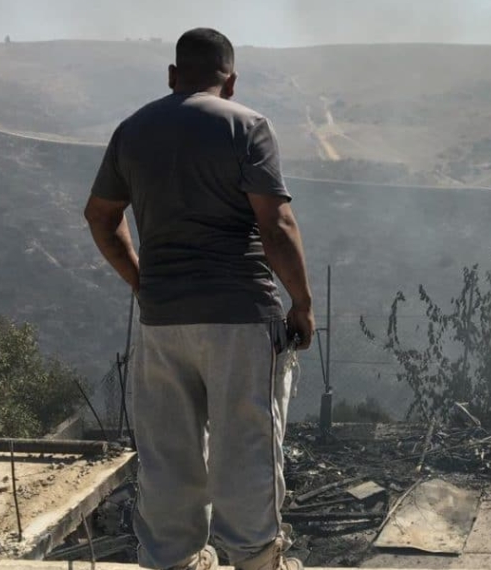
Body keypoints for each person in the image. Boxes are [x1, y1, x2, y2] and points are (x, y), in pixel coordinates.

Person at [83, 27, 313, 570]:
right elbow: (276, 224)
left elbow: (100, 216)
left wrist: (142, 281)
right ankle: (256, 561)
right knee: (244, 448)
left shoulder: (132, 131)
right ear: (229, 81)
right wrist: (301, 303)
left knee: (168, 454)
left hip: (162, 322)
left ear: (172, 75)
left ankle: (171, 560)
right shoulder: (247, 126)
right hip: (238, 317)